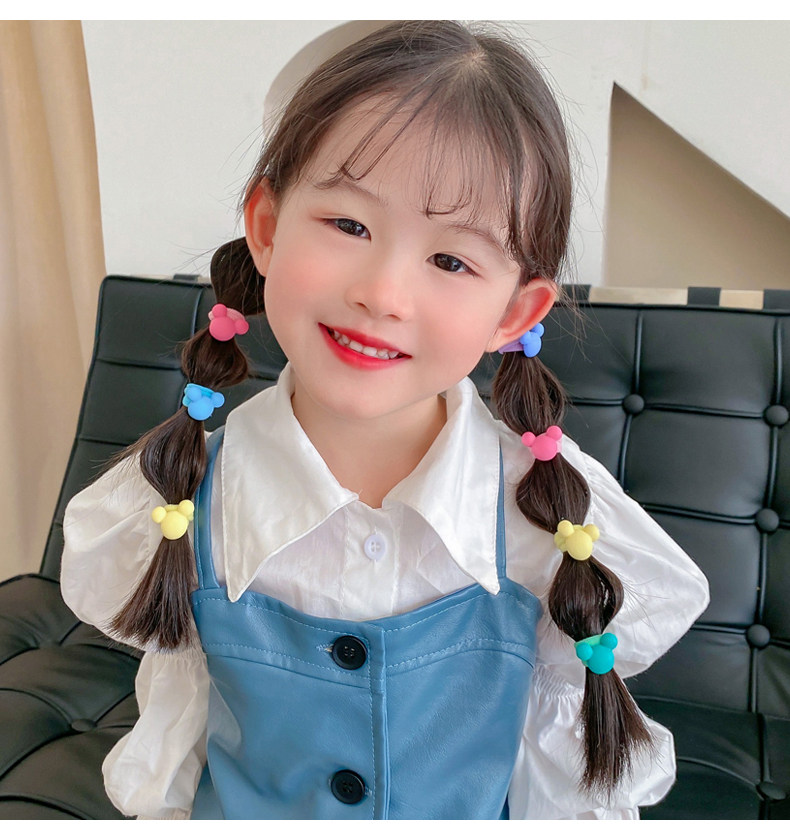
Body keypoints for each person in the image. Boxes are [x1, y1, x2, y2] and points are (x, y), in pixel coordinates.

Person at [60, 20, 709, 820]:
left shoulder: (550, 517)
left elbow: (563, 779)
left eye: (451, 260)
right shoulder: (179, 499)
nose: (382, 293)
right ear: (266, 228)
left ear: (515, 312)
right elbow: (176, 740)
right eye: (350, 225)